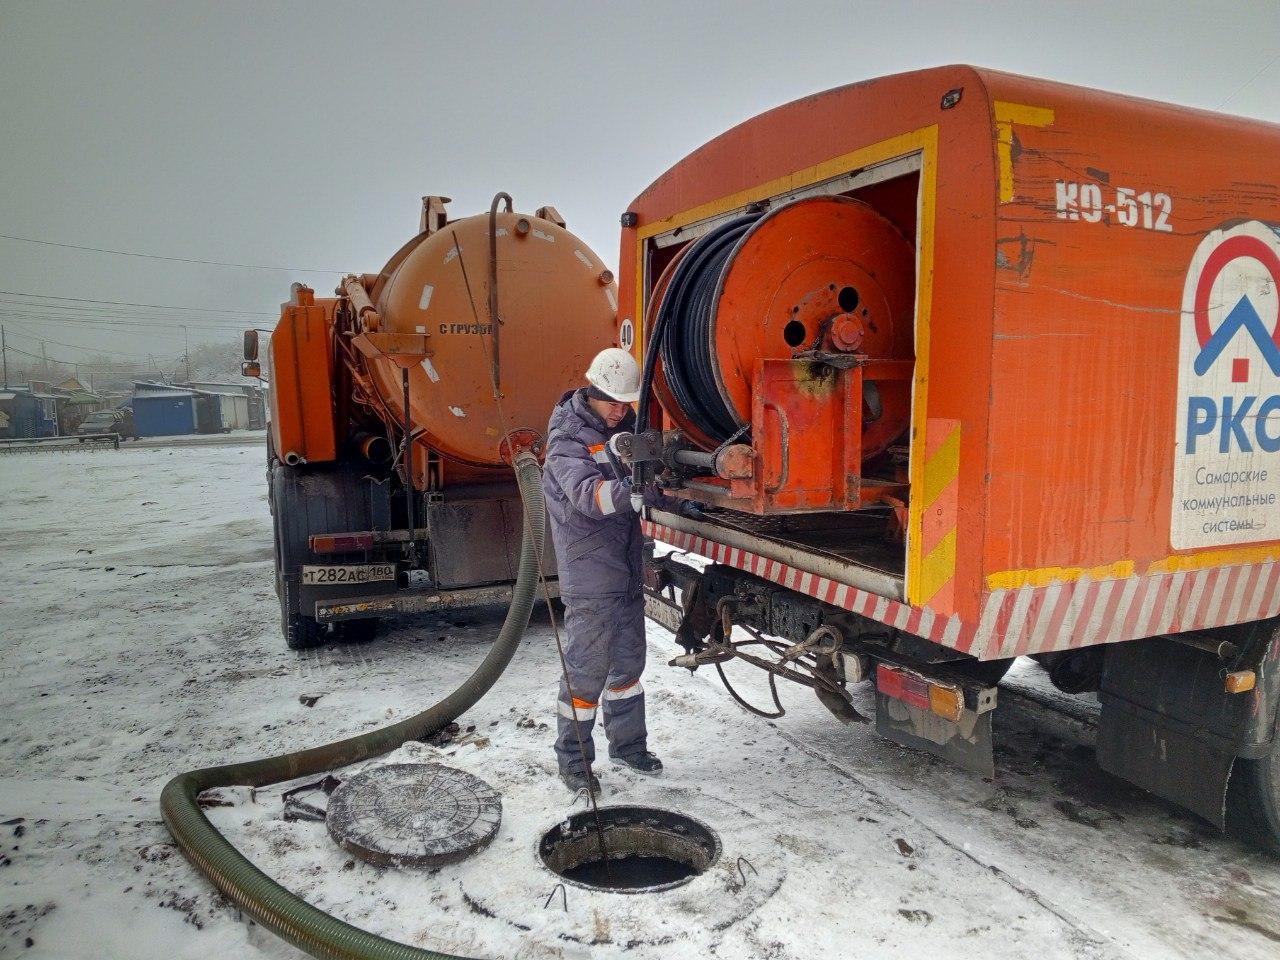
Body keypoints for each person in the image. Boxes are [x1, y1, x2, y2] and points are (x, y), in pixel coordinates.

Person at [543, 347, 663, 794]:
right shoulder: (567, 440)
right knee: (586, 672)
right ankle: (574, 762)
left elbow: (648, 476)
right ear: (591, 391)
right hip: (590, 574)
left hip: (626, 568)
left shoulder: (625, 427)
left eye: (625, 403)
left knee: (628, 664)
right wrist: (633, 491)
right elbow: (588, 497)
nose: (618, 411)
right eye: (611, 401)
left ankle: (629, 747)